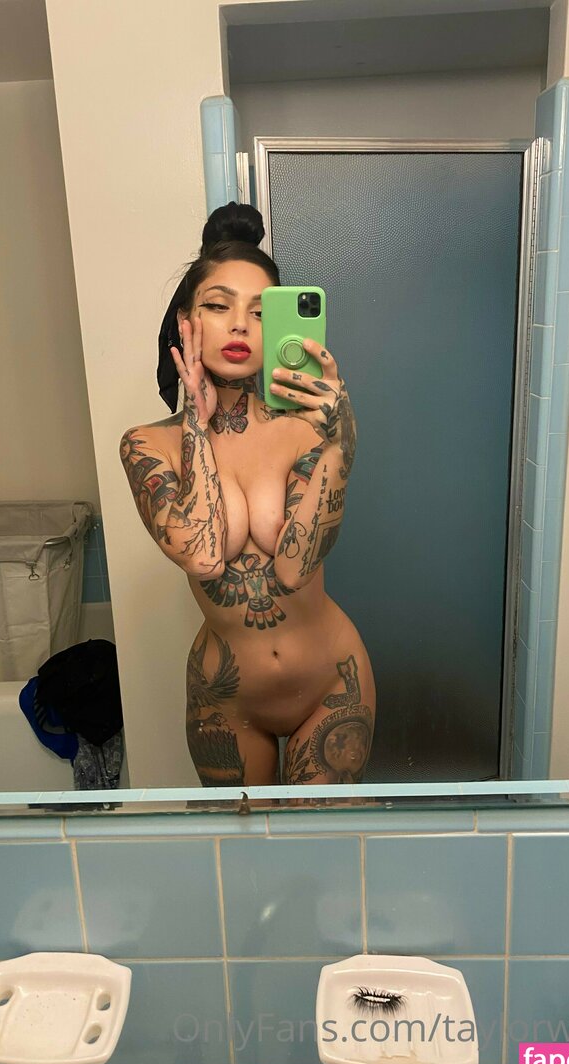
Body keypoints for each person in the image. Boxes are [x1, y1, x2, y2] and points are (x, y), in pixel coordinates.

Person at [120, 201, 375, 786]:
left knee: (322, 841)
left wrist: (341, 441)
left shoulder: (307, 430)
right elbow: (203, 555)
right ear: (185, 322)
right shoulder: (147, 445)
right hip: (225, 700)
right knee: (243, 846)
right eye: (218, 306)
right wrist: (195, 423)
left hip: (332, 683)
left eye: (260, 313)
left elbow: (294, 567)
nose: (239, 325)